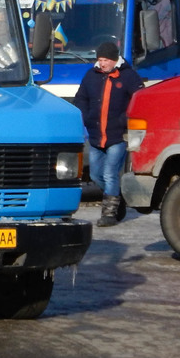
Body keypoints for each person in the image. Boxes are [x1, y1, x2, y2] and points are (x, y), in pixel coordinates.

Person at [73, 40, 144, 227]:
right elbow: (80, 98)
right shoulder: (91, 75)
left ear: (114, 60)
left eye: (105, 60)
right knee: (96, 175)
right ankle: (116, 199)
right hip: (96, 136)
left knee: (110, 173)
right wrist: (86, 117)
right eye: (100, 59)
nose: (102, 63)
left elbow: (140, 100)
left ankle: (109, 213)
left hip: (117, 136)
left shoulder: (128, 77)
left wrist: (124, 121)